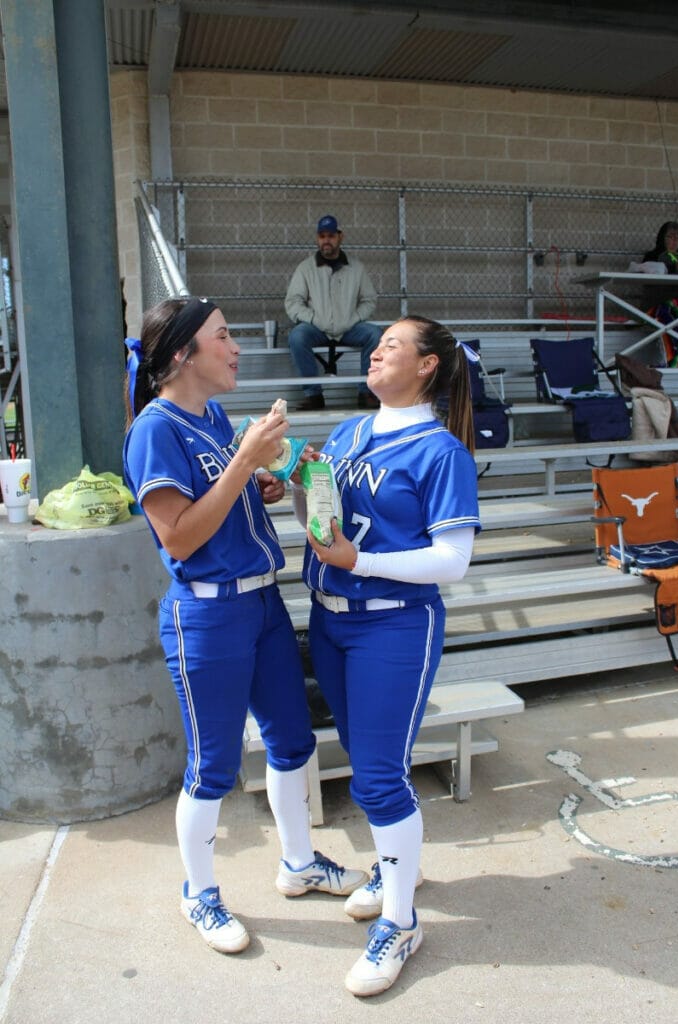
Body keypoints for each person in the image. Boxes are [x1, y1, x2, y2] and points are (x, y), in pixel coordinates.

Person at [122, 296, 367, 955]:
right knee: (213, 766)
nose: (235, 347)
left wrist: (259, 483)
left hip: (261, 605)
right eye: (223, 337)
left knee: (293, 742)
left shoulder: (211, 414)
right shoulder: (155, 428)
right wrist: (243, 463)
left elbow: (219, 502)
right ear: (182, 354)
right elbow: (176, 537)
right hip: (207, 613)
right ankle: (198, 894)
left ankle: (298, 864)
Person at [290, 315, 481, 996]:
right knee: (376, 764)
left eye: (392, 345)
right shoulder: (350, 430)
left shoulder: (442, 452)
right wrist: (292, 481)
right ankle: (395, 867)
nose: (376, 352)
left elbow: (452, 561)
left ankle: (401, 922)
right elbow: (327, 515)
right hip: (331, 620)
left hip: (393, 626)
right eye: (377, 345)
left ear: (427, 365)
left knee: (374, 778)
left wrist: (359, 559)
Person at [285, 214, 383, 411]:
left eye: (330, 235)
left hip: (349, 328)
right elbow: (293, 302)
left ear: (340, 237)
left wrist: (354, 318)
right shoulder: (306, 268)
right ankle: (314, 396)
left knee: (375, 334)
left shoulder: (356, 268)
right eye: (322, 236)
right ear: (317, 239)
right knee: (297, 336)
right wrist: (313, 319)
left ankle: (366, 392)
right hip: (317, 328)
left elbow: (369, 300)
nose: (326, 240)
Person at [642, 222, 678, 365]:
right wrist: (675, 269)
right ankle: (672, 363)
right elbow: (658, 284)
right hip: (657, 307)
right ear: (662, 238)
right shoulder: (651, 257)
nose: (675, 241)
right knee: (673, 324)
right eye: (670, 237)